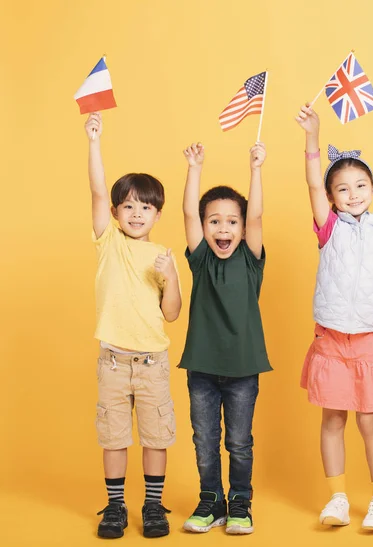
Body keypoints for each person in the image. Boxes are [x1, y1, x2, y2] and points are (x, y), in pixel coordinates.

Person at [296, 104, 373, 531]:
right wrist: (312, 139)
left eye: (361, 185)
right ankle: (337, 497)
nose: (353, 193)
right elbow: (310, 179)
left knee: (371, 422)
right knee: (332, 419)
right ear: (330, 197)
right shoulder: (329, 229)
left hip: (371, 343)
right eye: (342, 188)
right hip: (331, 342)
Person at [85, 112, 182, 539]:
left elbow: (173, 312)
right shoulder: (109, 241)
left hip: (152, 361)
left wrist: (172, 276)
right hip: (112, 360)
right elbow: (95, 187)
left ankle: (155, 505)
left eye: (146, 207)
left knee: (155, 435)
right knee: (114, 436)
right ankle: (115, 506)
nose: (137, 213)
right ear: (115, 212)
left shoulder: (162, 255)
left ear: (158, 214)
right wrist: (94, 142)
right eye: (129, 206)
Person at [179, 141, 271, 535]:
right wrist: (194, 168)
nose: (223, 228)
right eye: (214, 221)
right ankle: (210, 500)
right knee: (204, 442)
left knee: (239, 442)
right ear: (203, 227)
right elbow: (187, 211)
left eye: (232, 221)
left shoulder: (250, 258)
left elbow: (258, 215)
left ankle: (240, 502)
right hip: (201, 369)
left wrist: (255, 168)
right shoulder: (200, 259)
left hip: (243, 370)